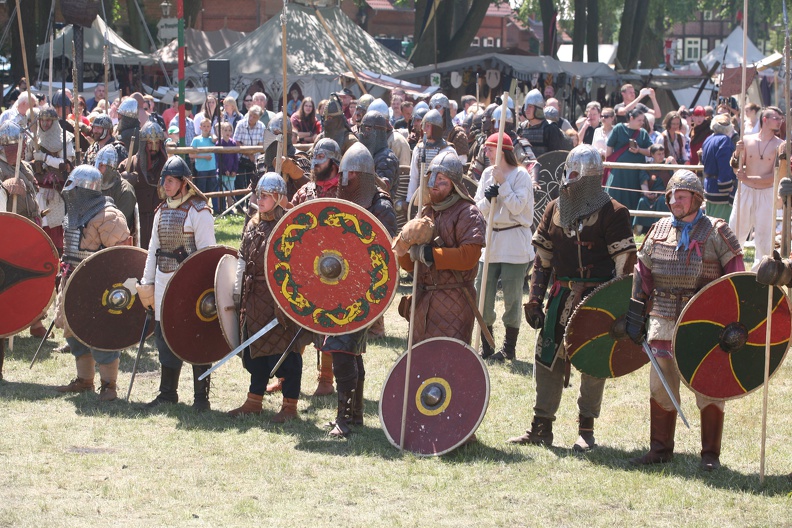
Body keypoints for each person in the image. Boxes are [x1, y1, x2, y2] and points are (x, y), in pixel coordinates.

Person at [511, 144, 637, 451]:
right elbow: (542, 259)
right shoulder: (555, 208)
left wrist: (619, 309)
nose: (569, 178)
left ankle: (586, 430)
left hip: (598, 299)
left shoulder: (614, 212)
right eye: (568, 172)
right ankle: (541, 427)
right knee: (546, 358)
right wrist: (534, 300)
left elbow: (625, 268)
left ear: (591, 177)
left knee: (592, 364)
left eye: (576, 174)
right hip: (561, 296)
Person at [626, 170, 743, 470]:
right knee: (660, 385)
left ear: (697, 199)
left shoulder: (717, 231)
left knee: (708, 385)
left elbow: (737, 280)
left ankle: (710, 456)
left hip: (705, 321)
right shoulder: (658, 230)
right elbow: (643, 274)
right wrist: (636, 313)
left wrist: (732, 320)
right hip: (663, 316)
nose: (674, 201)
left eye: (681, 196)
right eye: (671, 196)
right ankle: (660, 449)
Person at [324, 142, 397, 437]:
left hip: (366, 292)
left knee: (342, 351)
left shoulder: (382, 209)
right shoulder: (342, 201)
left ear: (364, 175)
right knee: (352, 352)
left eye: (351, 174)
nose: (345, 179)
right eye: (344, 173)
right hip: (339, 286)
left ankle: (344, 417)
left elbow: (384, 258)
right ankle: (353, 415)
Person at [228, 172, 311, 419]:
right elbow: (242, 258)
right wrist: (237, 290)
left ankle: (289, 406)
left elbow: (300, 265)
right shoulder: (252, 224)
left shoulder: (288, 224)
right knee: (257, 352)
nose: (260, 199)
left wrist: (289, 301)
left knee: (288, 353)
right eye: (259, 195)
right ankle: (254, 400)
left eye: (265, 195)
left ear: (277, 197)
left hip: (280, 297)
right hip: (255, 298)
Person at [136, 156, 217, 410]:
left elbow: (208, 254)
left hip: (189, 284)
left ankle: (201, 398)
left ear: (184, 183)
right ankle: (167, 393)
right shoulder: (162, 211)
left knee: (194, 337)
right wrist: (147, 282)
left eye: (170, 180)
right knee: (164, 335)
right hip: (162, 280)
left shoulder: (198, 211)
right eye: (164, 180)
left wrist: (203, 287)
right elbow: (153, 250)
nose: (166, 185)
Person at [53, 166, 131, 401]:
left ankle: (109, 386)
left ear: (85, 189)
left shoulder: (108, 215)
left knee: (101, 334)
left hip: (98, 286)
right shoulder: (74, 213)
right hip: (72, 280)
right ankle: (85, 380)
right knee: (72, 331)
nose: (70, 192)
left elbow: (122, 255)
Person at [396, 150, 486, 345]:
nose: (435, 184)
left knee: (449, 366)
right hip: (423, 302)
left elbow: (468, 256)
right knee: (420, 367)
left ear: (454, 184)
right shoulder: (425, 211)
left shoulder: (468, 213)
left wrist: (429, 253)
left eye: (442, 179)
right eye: (432, 178)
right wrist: (404, 245)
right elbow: (410, 267)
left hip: (453, 302)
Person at [473, 133, 534, 361]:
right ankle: (487, 344)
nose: (486, 153)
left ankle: (509, 348)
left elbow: (518, 208)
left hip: (514, 240)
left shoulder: (521, 175)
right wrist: (490, 198)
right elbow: (477, 208)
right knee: (484, 295)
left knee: (512, 297)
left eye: (489, 149)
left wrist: (503, 185)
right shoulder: (487, 174)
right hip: (491, 240)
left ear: (501, 151)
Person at [291, 138, 343, 397]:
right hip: (306, 266)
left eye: (320, 158)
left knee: (328, 324)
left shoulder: (344, 192)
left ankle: (326, 380)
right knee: (297, 319)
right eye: (314, 157)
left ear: (333, 162)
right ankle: (289, 375)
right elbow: (290, 225)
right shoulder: (304, 192)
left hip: (336, 268)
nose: (314, 163)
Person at [729, 106, 785, 269]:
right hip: (745, 191)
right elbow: (735, 168)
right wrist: (737, 154)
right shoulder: (747, 140)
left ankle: (760, 272)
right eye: (776, 118)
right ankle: (731, 267)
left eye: (781, 119)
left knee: (764, 235)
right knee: (736, 230)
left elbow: (776, 177)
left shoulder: (781, 145)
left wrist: (749, 178)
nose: (779, 121)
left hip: (766, 194)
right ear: (765, 119)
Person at [28, 107, 75, 255]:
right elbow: (25, 162)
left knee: (55, 229)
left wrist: (46, 159)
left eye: (48, 120)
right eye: (42, 120)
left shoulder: (65, 139)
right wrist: (34, 162)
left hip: (56, 192)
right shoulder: (33, 139)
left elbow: (66, 165)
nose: (45, 123)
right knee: (38, 227)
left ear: (54, 121)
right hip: (37, 191)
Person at [121, 121, 168, 250]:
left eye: (157, 143)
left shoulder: (168, 166)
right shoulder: (129, 164)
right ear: (143, 144)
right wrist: (123, 181)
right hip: (138, 221)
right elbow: (113, 189)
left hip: (162, 220)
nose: (153, 147)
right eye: (149, 143)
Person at [605, 108, 652, 210]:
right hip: (619, 173)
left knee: (632, 200)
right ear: (631, 118)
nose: (642, 122)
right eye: (639, 120)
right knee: (614, 198)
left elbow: (651, 151)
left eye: (643, 120)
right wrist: (609, 167)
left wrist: (639, 150)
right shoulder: (619, 128)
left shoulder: (643, 133)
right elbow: (609, 150)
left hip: (635, 174)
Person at [406, 109, 456, 203]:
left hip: (442, 198)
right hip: (421, 198)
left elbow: (453, 181)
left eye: (428, 126)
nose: (424, 129)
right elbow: (413, 177)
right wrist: (410, 200)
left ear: (436, 128)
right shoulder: (418, 148)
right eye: (424, 126)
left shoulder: (448, 150)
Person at [701, 114, 737, 221]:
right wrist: (726, 185)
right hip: (720, 189)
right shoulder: (724, 140)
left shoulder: (708, 139)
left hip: (709, 185)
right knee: (721, 225)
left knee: (710, 221)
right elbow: (725, 164)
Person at [94, 144, 137, 232]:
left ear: (110, 167)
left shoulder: (125, 191)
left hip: (115, 239)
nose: (97, 168)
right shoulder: (94, 186)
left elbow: (120, 225)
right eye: (97, 164)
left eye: (101, 165)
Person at [633, 144, 672, 235]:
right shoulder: (647, 167)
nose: (661, 156)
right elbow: (644, 183)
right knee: (642, 201)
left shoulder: (668, 165)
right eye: (659, 154)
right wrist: (647, 193)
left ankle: (660, 230)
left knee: (662, 201)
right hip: (651, 194)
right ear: (652, 155)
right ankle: (638, 231)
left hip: (664, 194)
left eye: (662, 153)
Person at [359, 110, 399, 193]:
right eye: (362, 128)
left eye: (368, 129)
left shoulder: (386, 158)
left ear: (379, 132)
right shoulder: (364, 154)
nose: (364, 134)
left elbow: (384, 188)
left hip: (379, 203)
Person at [518, 89, 565, 158]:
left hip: (545, 168)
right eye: (526, 106)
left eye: (530, 106)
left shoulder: (550, 128)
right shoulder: (521, 128)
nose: (527, 109)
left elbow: (556, 156)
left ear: (538, 108)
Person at [233, 104, 266, 191]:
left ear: (259, 117)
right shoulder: (240, 124)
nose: (251, 118)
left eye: (254, 117)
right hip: (241, 159)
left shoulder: (261, 126)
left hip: (255, 161)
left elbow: (261, 144)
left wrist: (252, 155)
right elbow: (236, 142)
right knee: (239, 184)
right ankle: (239, 204)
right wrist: (248, 154)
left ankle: (250, 204)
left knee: (253, 184)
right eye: (250, 115)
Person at [429, 92, 469, 163]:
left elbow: (461, 163)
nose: (434, 110)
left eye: (438, 107)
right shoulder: (427, 130)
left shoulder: (457, 133)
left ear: (445, 110)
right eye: (431, 107)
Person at [190, 118, 220, 213]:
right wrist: (204, 156)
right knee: (202, 189)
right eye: (204, 126)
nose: (206, 128)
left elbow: (216, 140)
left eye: (208, 126)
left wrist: (211, 134)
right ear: (200, 127)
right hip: (201, 168)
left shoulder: (212, 139)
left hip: (212, 168)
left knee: (213, 189)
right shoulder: (196, 139)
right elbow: (191, 155)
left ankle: (216, 208)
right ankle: (201, 208)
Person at [216, 121, 239, 212]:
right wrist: (224, 169)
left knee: (230, 191)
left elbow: (235, 158)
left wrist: (234, 170)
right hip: (222, 172)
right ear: (221, 131)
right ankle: (220, 208)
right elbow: (218, 159)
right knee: (221, 192)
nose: (228, 132)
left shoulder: (233, 143)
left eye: (229, 130)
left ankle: (230, 209)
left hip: (231, 171)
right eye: (225, 130)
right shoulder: (219, 143)